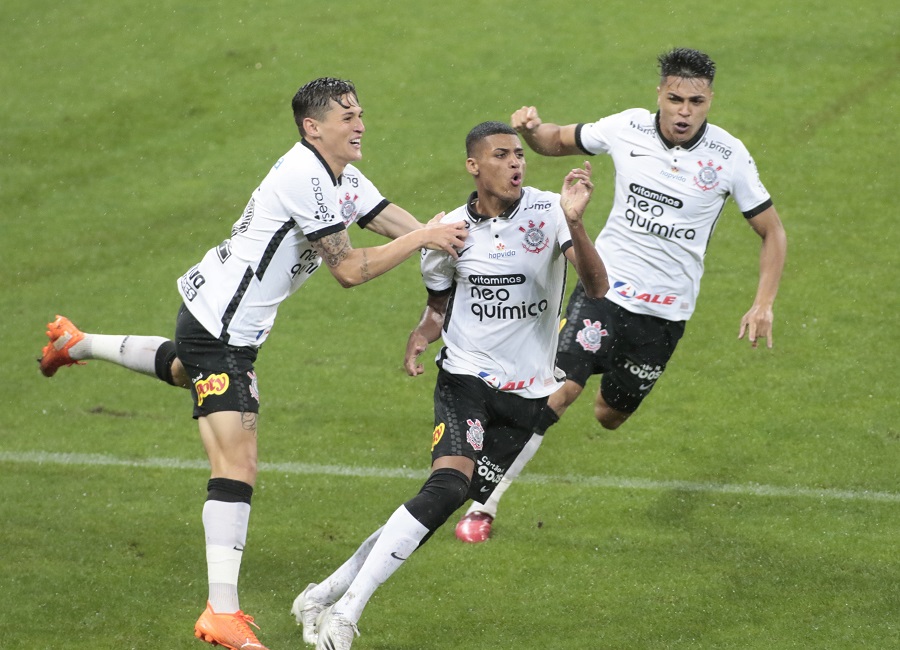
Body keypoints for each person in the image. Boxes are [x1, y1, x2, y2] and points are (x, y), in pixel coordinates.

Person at [38, 77, 467, 650]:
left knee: (182, 369)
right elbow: (349, 270)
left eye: (360, 113)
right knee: (237, 462)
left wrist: (444, 238)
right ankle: (221, 611)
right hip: (221, 332)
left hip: (216, 321)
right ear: (313, 127)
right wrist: (425, 241)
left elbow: (386, 216)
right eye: (347, 117)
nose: (360, 123)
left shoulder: (341, 176)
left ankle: (76, 343)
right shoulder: (304, 176)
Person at [290, 120, 609, 649]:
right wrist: (423, 332)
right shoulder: (448, 232)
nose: (516, 163)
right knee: (446, 488)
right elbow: (440, 302)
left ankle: (321, 594)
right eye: (502, 155)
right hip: (464, 379)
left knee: (436, 506)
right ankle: (345, 614)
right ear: (473, 165)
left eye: (519, 156)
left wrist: (575, 223)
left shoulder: (549, 212)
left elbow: (596, 289)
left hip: (527, 396)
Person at [455, 47, 788, 543]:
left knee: (610, 415)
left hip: (666, 313)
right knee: (561, 390)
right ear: (659, 94)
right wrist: (528, 131)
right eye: (675, 98)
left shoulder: (728, 157)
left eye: (695, 101)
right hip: (606, 288)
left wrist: (763, 302)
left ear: (710, 100)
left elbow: (773, 232)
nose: (683, 111)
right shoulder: (627, 127)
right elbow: (555, 141)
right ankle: (485, 503)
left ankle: (589, 388)